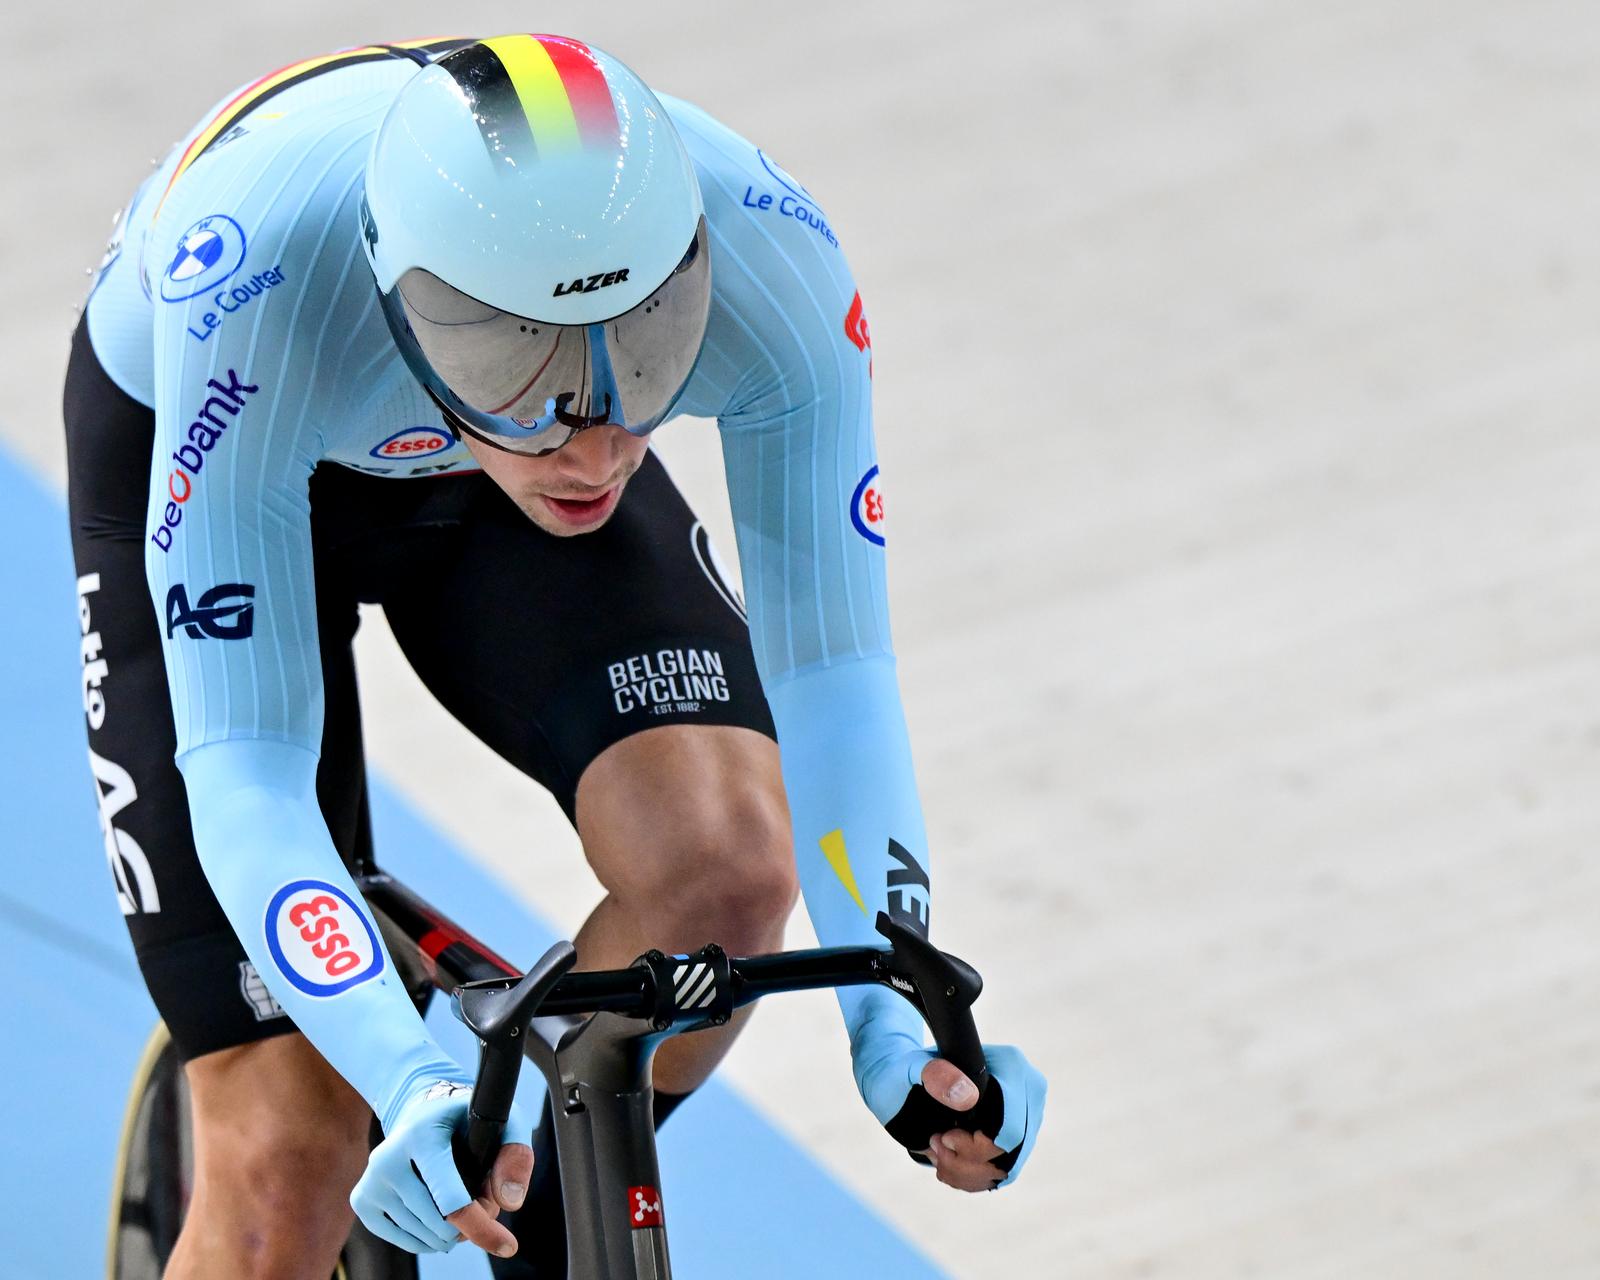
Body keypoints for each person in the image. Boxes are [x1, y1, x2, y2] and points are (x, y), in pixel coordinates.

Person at [68, 34, 1045, 1273]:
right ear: (407, 293)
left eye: (648, 350)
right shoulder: (256, 283)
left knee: (727, 866)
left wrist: (894, 1012)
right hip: (231, 427)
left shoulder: (769, 257)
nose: (597, 452)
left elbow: (835, 678)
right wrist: (402, 1072)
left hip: (481, 467)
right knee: (287, 1165)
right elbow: (248, 771)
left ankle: (537, 1214)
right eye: (511, 353)